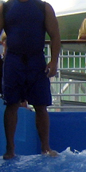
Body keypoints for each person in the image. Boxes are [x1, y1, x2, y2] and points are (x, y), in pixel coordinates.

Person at [0, 0, 60, 160]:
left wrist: (54, 61)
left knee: (41, 105)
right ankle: (10, 149)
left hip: (36, 60)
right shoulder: (5, 7)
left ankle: (45, 147)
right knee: (11, 104)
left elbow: (55, 36)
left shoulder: (43, 7)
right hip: (13, 60)